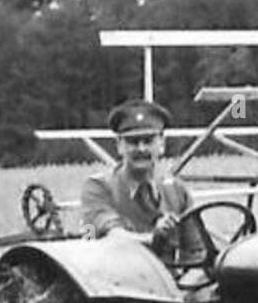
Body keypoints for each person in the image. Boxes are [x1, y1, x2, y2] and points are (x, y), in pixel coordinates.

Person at [80, 99, 194, 254]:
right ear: (119, 145)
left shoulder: (177, 191)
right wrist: (154, 237)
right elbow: (112, 237)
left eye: (148, 141)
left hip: (167, 276)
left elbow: (196, 250)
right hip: (115, 274)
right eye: (133, 142)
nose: (141, 149)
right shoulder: (99, 187)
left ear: (162, 144)